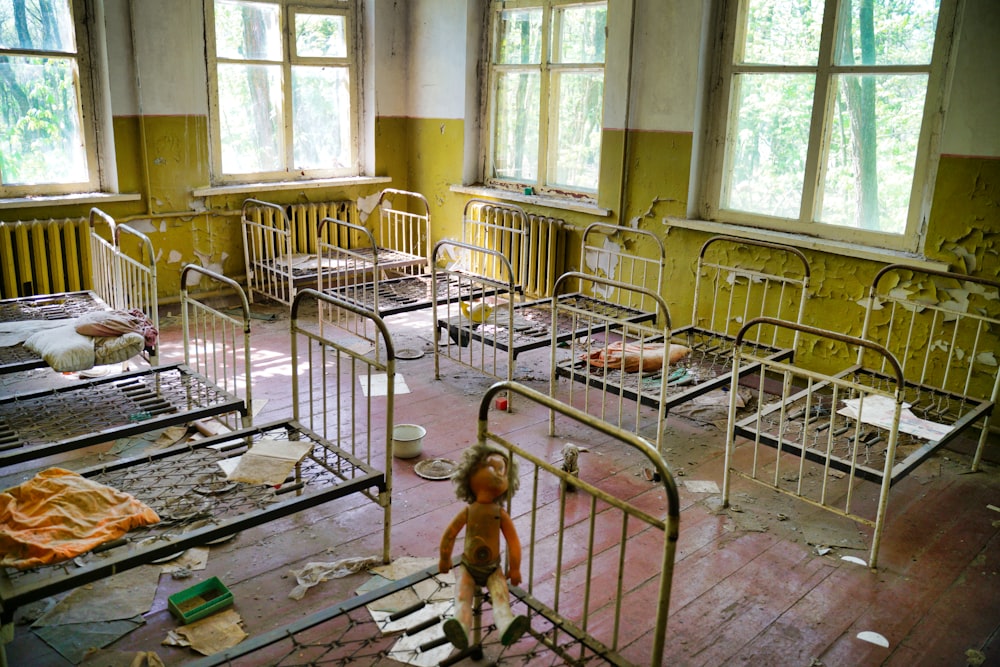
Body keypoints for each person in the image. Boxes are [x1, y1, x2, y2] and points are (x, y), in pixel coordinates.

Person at [438, 443, 529, 649]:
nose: (498, 473)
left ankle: (506, 624)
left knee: (500, 596)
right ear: (471, 472)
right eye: (492, 467)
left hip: (493, 569)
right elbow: (450, 534)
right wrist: (444, 559)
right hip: (468, 567)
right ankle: (460, 626)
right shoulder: (469, 511)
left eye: (502, 470)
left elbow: (513, 541)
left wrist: (514, 568)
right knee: (462, 595)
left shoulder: (500, 514)